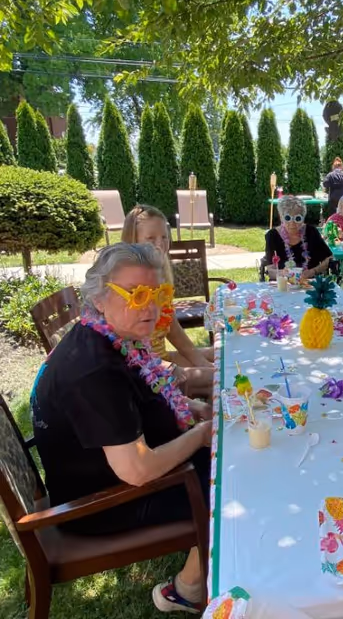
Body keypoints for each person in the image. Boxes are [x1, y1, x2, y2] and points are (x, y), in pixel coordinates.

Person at [31, 243, 213, 614]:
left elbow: (142, 396)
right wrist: (202, 433)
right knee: (230, 484)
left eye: (158, 293)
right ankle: (187, 589)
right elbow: (138, 469)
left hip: (107, 476)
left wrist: (190, 407)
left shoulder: (113, 336)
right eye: (136, 294)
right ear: (99, 299)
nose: (151, 306)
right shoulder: (92, 371)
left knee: (233, 456)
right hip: (100, 505)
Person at [122, 205, 213, 397]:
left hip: (162, 358)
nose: (160, 243)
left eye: (164, 237)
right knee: (220, 378)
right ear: (133, 240)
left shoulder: (159, 273)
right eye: (151, 238)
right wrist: (202, 367)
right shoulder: (127, 283)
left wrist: (201, 362)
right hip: (147, 372)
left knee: (222, 354)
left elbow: (170, 325)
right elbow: (128, 351)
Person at [265, 195, 332, 278]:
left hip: (309, 284)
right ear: (281, 218)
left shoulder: (311, 232)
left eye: (297, 219)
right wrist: (283, 273)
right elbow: (270, 270)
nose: (292, 223)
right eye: (287, 218)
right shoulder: (272, 235)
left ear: (303, 218)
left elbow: (329, 258)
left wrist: (313, 271)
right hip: (282, 284)